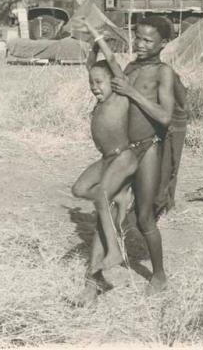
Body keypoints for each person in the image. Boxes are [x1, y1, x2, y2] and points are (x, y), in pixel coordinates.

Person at [74, 16, 179, 304]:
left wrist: (132, 92)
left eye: (149, 40)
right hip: (123, 150)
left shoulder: (162, 72)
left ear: (163, 43)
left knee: (144, 217)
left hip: (148, 150)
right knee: (103, 210)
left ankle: (158, 276)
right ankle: (91, 285)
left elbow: (165, 117)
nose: (141, 45)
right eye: (139, 38)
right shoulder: (130, 68)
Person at [71, 18, 138, 276]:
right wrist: (91, 46)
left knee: (100, 197)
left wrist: (97, 36)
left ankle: (115, 251)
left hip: (124, 155)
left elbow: (110, 62)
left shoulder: (120, 94)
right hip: (107, 158)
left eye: (99, 82)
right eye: (91, 83)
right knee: (79, 189)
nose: (94, 87)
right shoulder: (100, 99)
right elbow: (93, 64)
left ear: (113, 81)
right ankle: (119, 196)